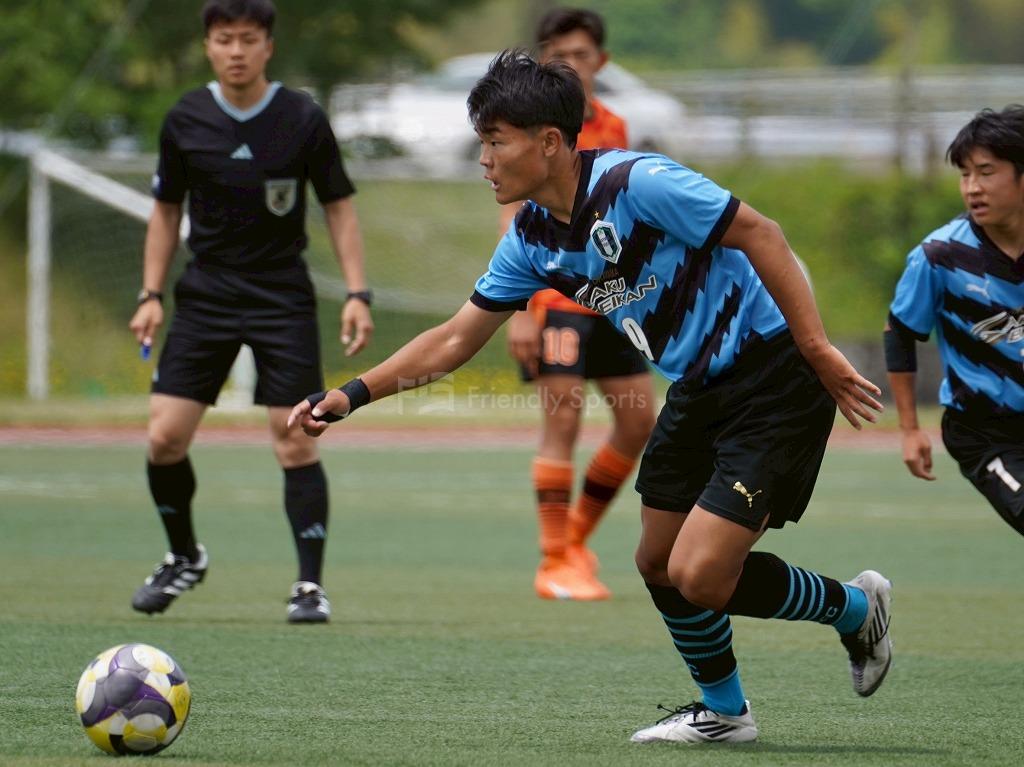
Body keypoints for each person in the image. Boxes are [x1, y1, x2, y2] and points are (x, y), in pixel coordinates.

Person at [289, 51, 893, 744]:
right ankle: (726, 712)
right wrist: (350, 394)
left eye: (495, 142)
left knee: (699, 574)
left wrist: (816, 347)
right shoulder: (530, 239)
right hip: (699, 387)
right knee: (657, 562)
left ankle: (854, 609)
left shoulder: (639, 183)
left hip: (775, 373)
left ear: (549, 141)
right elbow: (455, 338)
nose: (483, 160)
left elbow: (763, 233)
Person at [127, 0, 373, 624]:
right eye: (223, 39)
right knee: (164, 438)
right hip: (205, 295)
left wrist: (357, 292)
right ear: (208, 46)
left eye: (247, 39)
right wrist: (150, 295)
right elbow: (165, 212)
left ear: (268, 46)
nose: (235, 51)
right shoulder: (185, 118)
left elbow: (339, 206)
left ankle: (309, 587)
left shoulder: (302, 118)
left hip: (281, 295)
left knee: (295, 440)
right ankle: (184, 556)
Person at [501, 8, 656, 601]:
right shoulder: (533, 131)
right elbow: (514, 217)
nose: (569, 64)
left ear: (601, 62)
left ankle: (572, 543)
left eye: (580, 54)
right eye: (557, 54)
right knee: (562, 421)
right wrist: (521, 309)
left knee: (638, 423)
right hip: (556, 297)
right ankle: (553, 561)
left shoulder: (614, 125)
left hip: (613, 299)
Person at [886, 105, 1024, 537]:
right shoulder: (940, 256)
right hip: (986, 432)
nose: (972, 187)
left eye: (986, 172)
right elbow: (899, 335)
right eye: (965, 175)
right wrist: (909, 429)